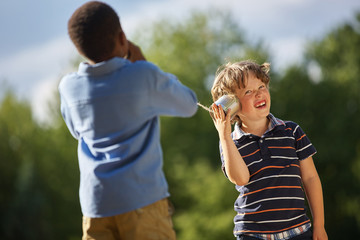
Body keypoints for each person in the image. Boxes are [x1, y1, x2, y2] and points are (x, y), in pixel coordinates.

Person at [58, 1, 198, 239]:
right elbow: (189, 104)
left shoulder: (69, 88)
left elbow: (77, 132)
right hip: (141, 201)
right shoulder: (143, 76)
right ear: (122, 37)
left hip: (95, 206)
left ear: (79, 48)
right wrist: (144, 63)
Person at [210, 60, 328, 240]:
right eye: (248, 91)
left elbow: (311, 178)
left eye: (261, 86)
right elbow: (241, 178)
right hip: (253, 235)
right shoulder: (229, 142)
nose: (259, 94)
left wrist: (319, 225)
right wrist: (224, 135)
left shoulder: (292, 131)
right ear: (232, 105)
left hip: (298, 232)